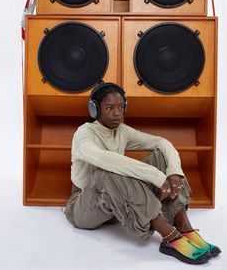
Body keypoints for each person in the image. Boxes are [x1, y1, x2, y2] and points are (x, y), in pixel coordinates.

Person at [64, 82, 221, 264]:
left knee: (160, 155)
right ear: (94, 109)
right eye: (110, 108)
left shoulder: (121, 131)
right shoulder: (83, 134)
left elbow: (161, 142)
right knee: (106, 172)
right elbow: (104, 158)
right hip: (84, 207)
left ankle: (184, 226)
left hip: (115, 208)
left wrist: (173, 172)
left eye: (121, 107)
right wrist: (155, 177)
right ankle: (169, 236)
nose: (117, 113)